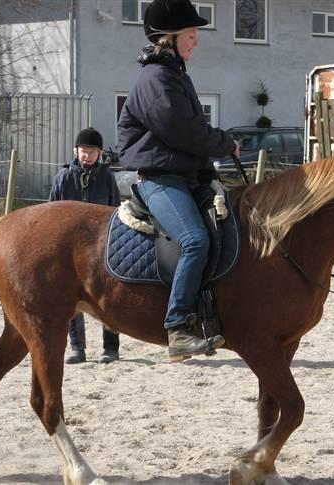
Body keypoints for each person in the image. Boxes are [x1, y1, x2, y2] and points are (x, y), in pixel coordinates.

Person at [117, 0, 239, 361]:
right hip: (160, 179)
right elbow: (183, 131)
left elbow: (190, 131)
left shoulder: (174, 75)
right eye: (191, 34)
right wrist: (224, 142)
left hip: (184, 176)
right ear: (169, 38)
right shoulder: (156, 80)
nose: (196, 41)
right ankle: (177, 327)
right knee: (194, 241)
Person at [49, 127, 122, 364]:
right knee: (70, 297)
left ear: (99, 153)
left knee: (107, 296)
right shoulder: (63, 177)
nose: (87, 155)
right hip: (69, 247)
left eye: (91, 151)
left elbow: (115, 210)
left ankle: (111, 348)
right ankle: (77, 348)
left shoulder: (107, 177)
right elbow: (51, 210)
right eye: (83, 150)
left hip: (100, 246)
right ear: (76, 151)